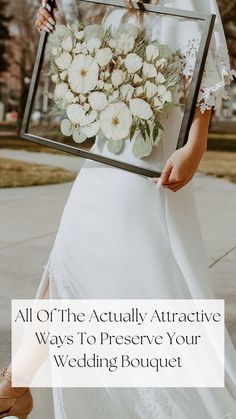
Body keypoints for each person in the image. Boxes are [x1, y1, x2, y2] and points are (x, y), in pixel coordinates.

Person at [1, 0, 236, 418]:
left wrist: (196, 144)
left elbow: (208, 64)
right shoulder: (115, 7)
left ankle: (16, 385)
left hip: (150, 157)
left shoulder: (187, 1)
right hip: (107, 151)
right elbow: (86, 62)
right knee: (68, 260)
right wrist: (52, 23)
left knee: (134, 275)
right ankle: (16, 384)